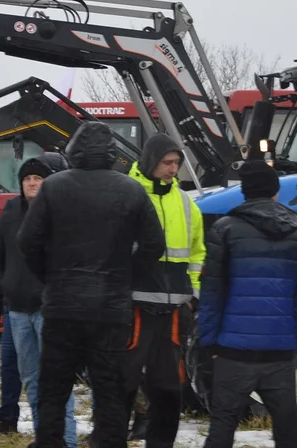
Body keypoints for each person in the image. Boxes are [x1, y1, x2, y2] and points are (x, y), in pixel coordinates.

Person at [17, 122, 166, 448]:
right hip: (110, 307)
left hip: (62, 304)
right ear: (112, 152)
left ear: (74, 150)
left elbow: (27, 241)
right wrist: (127, 277)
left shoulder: (53, 187)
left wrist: (51, 277)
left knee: (54, 388)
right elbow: (154, 244)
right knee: (110, 389)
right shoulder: (131, 189)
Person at [198, 161, 297, 448]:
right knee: (288, 428)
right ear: (276, 192)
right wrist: (294, 337)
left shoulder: (225, 229)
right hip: (278, 352)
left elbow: (212, 293)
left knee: (223, 424)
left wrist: (209, 343)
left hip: (233, 351)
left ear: (245, 192)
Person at [122, 133, 206, 448]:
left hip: (173, 309)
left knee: (169, 388)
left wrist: (193, 292)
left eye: (176, 163)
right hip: (136, 304)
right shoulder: (128, 195)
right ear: (150, 162)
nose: (173, 170)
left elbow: (197, 252)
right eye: (167, 163)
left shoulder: (186, 202)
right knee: (123, 381)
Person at [0, 153, 78, 448]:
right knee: (31, 379)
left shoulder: (59, 211)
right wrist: (6, 286)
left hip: (48, 310)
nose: (32, 183)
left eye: (38, 178)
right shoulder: (11, 210)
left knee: (57, 378)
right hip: (17, 310)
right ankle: (46, 438)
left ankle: (66, 440)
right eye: (27, 179)